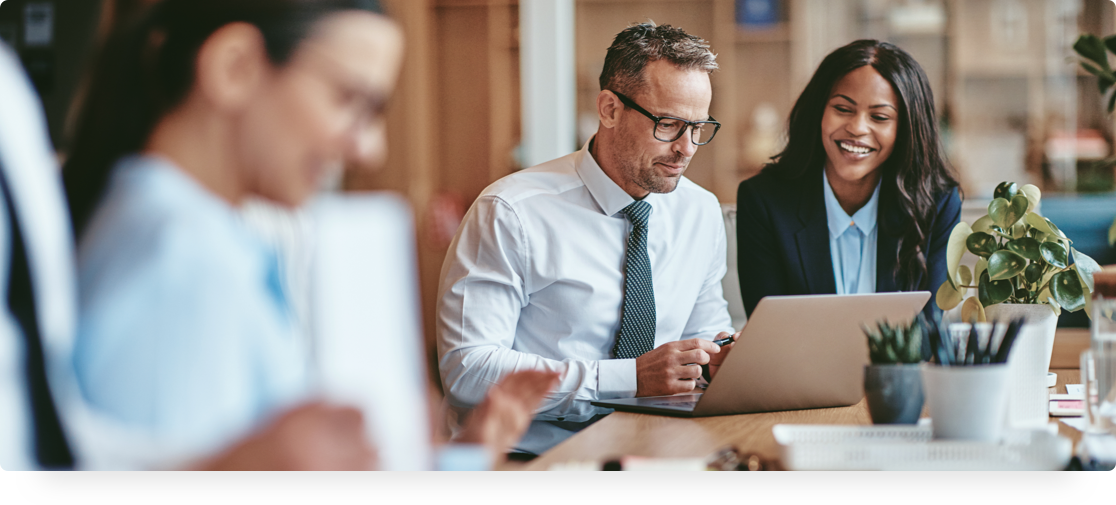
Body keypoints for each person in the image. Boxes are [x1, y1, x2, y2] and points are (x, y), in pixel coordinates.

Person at [59, 0, 555, 467]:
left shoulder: (192, 234)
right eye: (349, 101)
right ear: (235, 68)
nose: (370, 150)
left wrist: (464, 453)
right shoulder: (181, 263)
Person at [437, 23, 740, 457]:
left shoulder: (700, 210)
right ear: (610, 109)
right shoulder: (511, 212)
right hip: (526, 456)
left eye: (699, 127)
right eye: (669, 125)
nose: (687, 148)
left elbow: (704, 331)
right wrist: (627, 379)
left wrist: (721, 357)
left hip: (655, 452)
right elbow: (468, 371)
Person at [735, 40, 960, 326]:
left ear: (906, 128)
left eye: (879, 117)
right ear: (819, 111)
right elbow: (771, 332)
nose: (857, 128)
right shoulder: (763, 201)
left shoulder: (937, 203)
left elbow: (926, 334)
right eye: (843, 109)